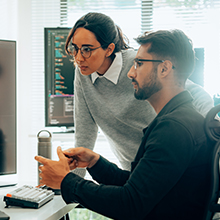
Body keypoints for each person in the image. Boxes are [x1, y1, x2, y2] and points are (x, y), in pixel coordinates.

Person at [35, 29, 211, 219]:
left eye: (139, 63)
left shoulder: (174, 129)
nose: (130, 73)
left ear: (164, 69)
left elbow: (130, 204)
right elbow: (139, 187)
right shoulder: (176, 120)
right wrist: (96, 163)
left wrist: (65, 181)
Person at [66, 12, 213, 172]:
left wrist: (210, 136)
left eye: (87, 49)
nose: (79, 58)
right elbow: (84, 132)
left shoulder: (138, 63)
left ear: (109, 49)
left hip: (164, 160)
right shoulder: (83, 73)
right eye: (75, 48)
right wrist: (70, 182)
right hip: (131, 168)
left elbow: (195, 94)